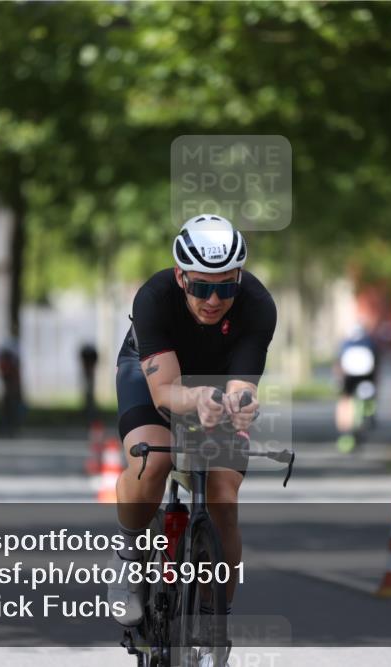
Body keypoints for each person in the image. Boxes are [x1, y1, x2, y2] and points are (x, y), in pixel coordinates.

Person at [107, 214, 276, 632]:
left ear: (239, 277)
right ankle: (128, 551)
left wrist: (241, 405)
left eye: (225, 287)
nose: (214, 300)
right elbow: (165, 393)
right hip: (155, 375)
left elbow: (242, 385)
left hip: (214, 381)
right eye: (202, 286)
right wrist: (196, 397)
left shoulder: (258, 305)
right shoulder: (153, 297)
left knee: (223, 496)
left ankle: (214, 617)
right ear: (181, 277)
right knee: (151, 461)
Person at [333, 323, 378, 453]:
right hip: (367, 374)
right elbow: (376, 364)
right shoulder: (370, 342)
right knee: (367, 392)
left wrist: (338, 381)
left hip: (349, 374)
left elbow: (339, 363)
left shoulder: (345, 343)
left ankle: (345, 433)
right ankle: (369, 409)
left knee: (345, 400)